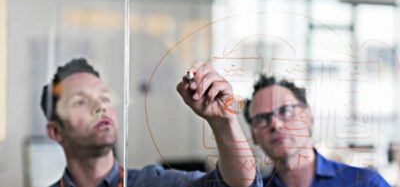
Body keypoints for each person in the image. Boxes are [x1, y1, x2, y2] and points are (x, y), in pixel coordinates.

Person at [40, 58, 261, 187]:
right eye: (80, 102)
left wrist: (223, 123)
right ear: (55, 132)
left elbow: (238, 185)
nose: (100, 107)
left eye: (105, 98)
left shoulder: (155, 183)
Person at [243, 75, 390, 187]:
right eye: (261, 119)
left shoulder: (364, 183)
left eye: (285, 111)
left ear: (308, 117)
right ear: (253, 135)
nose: (275, 124)